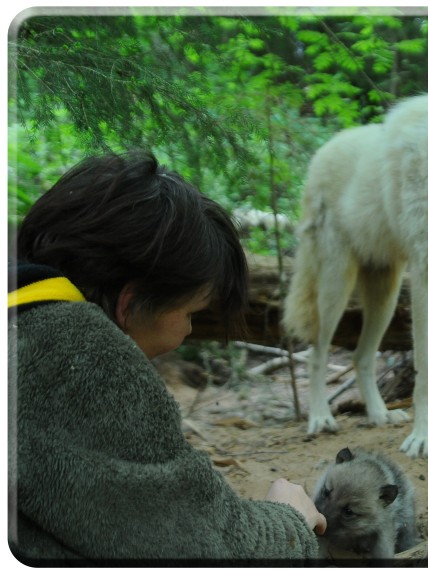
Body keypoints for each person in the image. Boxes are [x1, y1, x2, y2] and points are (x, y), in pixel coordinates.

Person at [7, 150, 326, 562]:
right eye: (191, 313)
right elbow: (198, 547)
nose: (190, 331)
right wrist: (289, 524)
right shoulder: (77, 349)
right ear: (131, 302)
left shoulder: (25, 322)